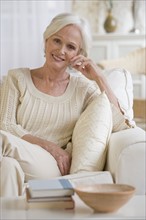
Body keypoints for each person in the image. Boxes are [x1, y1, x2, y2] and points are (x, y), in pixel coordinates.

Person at [0, 13, 132, 197]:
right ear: (46, 41)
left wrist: (100, 78)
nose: (61, 50)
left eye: (70, 47)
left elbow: (121, 125)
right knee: (6, 167)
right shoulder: (17, 78)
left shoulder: (83, 89)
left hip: (50, 166)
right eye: (56, 41)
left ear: (79, 55)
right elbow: (6, 125)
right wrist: (49, 146)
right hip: (25, 154)